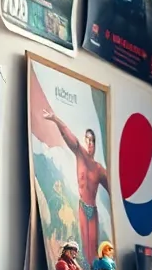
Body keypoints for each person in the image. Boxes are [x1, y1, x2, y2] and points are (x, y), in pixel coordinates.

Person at [42, 108, 109, 258]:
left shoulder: (99, 169)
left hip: (93, 210)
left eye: (92, 141)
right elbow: (68, 135)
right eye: (88, 140)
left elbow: (114, 191)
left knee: (93, 247)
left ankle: (94, 269)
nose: (90, 143)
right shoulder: (79, 153)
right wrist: (55, 119)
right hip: (82, 207)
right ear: (84, 141)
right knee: (83, 246)